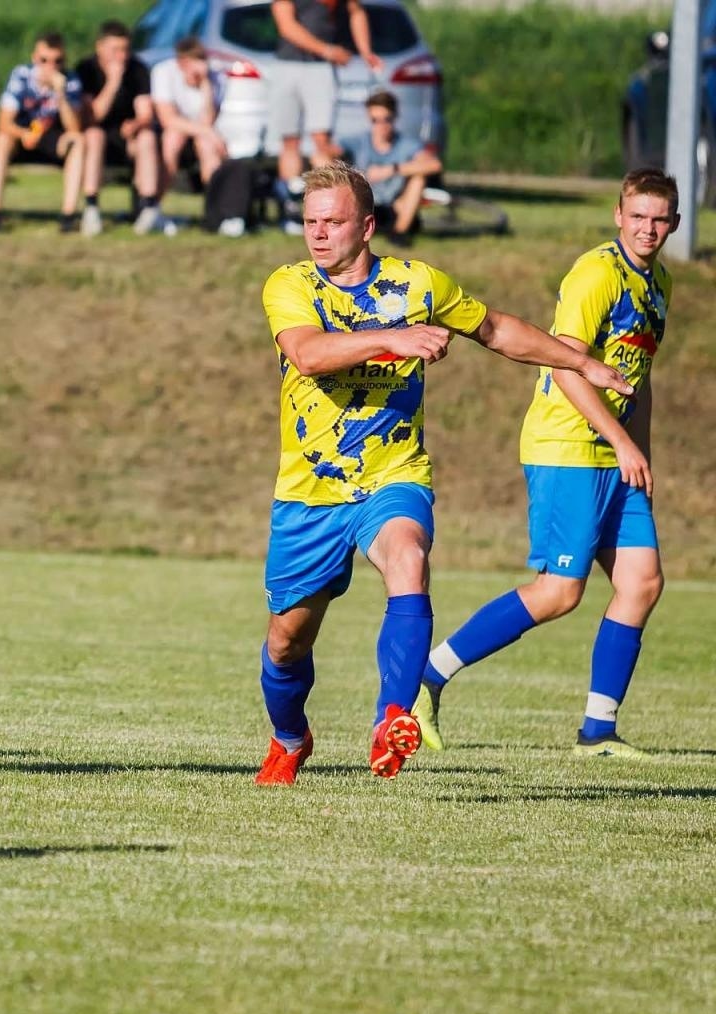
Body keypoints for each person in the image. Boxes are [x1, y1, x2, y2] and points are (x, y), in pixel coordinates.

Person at [253, 163, 633, 787]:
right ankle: (290, 738)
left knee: (409, 558)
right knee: (287, 642)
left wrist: (580, 363)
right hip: (310, 492)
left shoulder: (416, 283)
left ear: (368, 226)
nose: (318, 235)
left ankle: (393, 721)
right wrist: (393, 340)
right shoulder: (290, 285)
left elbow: (495, 329)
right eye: (310, 221)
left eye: (334, 221)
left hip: (394, 474)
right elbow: (307, 352)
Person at [414, 170, 678, 759]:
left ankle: (598, 731)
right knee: (560, 591)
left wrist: (641, 452)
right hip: (567, 448)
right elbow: (567, 367)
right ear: (618, 215)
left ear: (676, 225)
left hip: (615, 453)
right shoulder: (596, 275)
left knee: (641, 582)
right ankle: (428, 679)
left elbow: (640, 380)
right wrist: (621, 442)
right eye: (638, 216)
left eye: (660, 219)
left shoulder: (658, 282)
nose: (648, 228)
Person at [268, 0, 381, 234]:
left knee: (322, 140)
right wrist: (327, 50)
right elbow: (286, 25)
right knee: (290, 141)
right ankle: (291, 208)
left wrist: (365, 50)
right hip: (287, 64)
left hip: (319, 69)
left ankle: (331, 211)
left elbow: (356, 12)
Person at [0, 31, 84, 233]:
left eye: (58, 61)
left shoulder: (70, 81)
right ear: (34, 58)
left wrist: (61, 95)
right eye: (44, 60)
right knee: (2, 140)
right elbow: (3, 122)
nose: (51, 66)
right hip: (21, 134)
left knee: (77, 141)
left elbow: (74, 128)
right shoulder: (21, 75)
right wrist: (24, 135)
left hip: (52, 138)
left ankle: (68, 216)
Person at [73, 20, 162, 236]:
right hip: (98, 135)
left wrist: (136, 124)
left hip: (128, 138)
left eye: (125, 49)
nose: (121, 56)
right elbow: (92, 117)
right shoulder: (86, 70)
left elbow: (145, 113)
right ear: (99, 47)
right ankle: (92, 207)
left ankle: (149, 207)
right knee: (94, 136)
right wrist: (112, 83)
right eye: (115, 50)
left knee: (147, 136)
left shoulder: (138, 69)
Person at [341, 89, 441, 247]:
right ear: (369, 119)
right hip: (363, 206)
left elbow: (434, 164)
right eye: (375, 120)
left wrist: (392, 169)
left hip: (394, 206)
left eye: (386, 119)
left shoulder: (406, 144)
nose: (381, 126)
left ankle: (399, 232)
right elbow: (326, 153)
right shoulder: (358, 142)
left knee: (419, 179)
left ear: (394, 118)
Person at [150, 36, 226, 196]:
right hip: (172, 130)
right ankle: (154, 204)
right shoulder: (163, 72)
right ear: (182, 63)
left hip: (200, 132)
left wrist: (205, 85)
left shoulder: (216, 79)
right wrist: (208, 132)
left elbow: (208, 121)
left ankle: (215, 204)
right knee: (173, 139)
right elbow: (168, 119)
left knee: (207, 145)